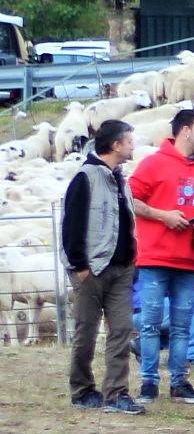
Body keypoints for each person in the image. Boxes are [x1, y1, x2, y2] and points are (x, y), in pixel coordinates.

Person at [128, 107, 194, 405]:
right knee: (152, 323)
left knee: (182, 325)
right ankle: (148, 382)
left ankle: (179, 381)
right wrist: (162, 216)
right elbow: (132, 198)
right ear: (185, 130)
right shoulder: (153, 164)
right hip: (154, 257)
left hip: (188, 260)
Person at [61, 119, 144, 415]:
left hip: (121, 268)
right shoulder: (86, 178)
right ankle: (82, 389)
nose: (133, 146)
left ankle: (117, 392)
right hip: (93, 268)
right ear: (115, 145)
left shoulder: (119, 178)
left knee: (122, 329)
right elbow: (72, 224)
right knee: (86, 330)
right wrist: (80, 266)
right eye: (130, 140)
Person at [132, 252, 194, 366]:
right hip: (154, 310)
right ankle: (192, 357)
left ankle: (145, 346)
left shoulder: (150, 243)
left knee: (188, 311)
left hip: (135, 311)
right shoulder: (182, 244)